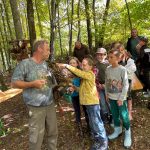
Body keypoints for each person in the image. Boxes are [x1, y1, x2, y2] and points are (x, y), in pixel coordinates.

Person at [11, 40, 58, 150]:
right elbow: (14, 83)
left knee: (53, 133)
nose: (49, 52)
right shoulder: (25, 64)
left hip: (50, 104)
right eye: (47, 50)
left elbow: (51, 83)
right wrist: (32, 84)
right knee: (36, 138)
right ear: (39, 49)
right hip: (35, 108)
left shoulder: (45, 64)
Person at [57, 57, 108, 150]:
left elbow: (79, 72)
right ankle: (97, 141)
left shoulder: (90, 74)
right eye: (82, 65)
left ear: (90, 66)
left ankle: (103, 143)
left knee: (97, 123)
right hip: (88, 104)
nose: (82, 66)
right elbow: (82, 90)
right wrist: (75, 88)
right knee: (93, 124)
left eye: (84, 65)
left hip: (92, 104)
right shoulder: (84, 77)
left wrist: (66, 65)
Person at [105, 49, 131, 148]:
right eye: (108, 57)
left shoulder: (122, 69)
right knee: (115, 114)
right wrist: (107, 94)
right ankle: (118, 129)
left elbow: (125, 85)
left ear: (118, 58)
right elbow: (107, 83)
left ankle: (128, 132)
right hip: (111, 97)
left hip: (120, 98)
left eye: (111, 57)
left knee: (124, 116)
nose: (109, 58)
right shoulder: (108, 69)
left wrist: (121, 98)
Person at [65, 57, 89, 136]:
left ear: (77, 64)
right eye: (70, 63)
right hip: (74, 96)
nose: (72, 64)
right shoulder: (67, 74)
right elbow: (66, 86)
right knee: (77, 111)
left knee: (85, 110)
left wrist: (76, 88)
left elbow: (84, 83)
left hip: (82, 95)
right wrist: (69, 89)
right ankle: (80, 128)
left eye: (74, 63)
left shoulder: (80, 72)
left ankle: (89, 126)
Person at [117, 44, 136, 120]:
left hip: (128, 80)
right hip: (119, 81)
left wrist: (123, 69)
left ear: (124, 51)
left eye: (121, 50)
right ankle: (121, 112)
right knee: (120, 96)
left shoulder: (129, 60)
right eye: (118, 51)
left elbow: (133, 68)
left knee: (128, 97)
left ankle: (129, 113)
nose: (120, 52)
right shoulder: (117, 60)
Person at [95, 48, 111, 123]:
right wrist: (98, 85)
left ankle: (112, 117)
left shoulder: (109, 64)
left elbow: (112, 76)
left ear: (105, 55)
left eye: (101, 55)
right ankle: (105, 118)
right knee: (102, 103)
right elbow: (94, 76)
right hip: (99, 87)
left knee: (109, 102)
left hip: (109, 87)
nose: (99, 56)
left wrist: (106, 85)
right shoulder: (95, 65)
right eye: (98, 54)